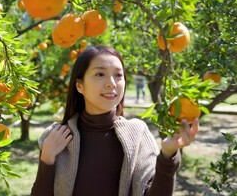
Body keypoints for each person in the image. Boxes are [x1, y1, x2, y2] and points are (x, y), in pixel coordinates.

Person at [31, 46, 199, 196]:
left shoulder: (137, 134)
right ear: (79, 85)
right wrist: (47, 159)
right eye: (100, 74)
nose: (111, 83)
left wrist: (167, 156)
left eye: (118, 75)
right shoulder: (56, 137)